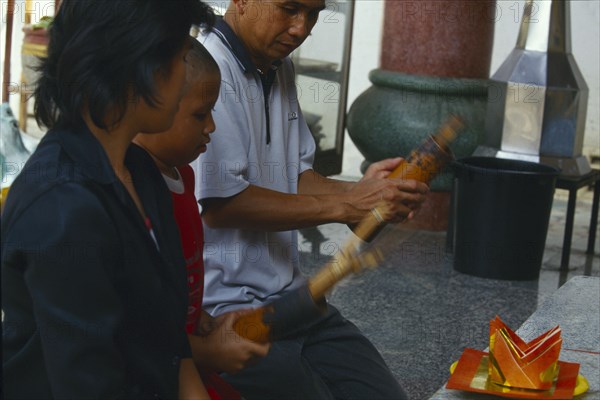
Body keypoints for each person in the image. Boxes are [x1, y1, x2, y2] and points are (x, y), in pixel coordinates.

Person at [191, 0, 429, 399]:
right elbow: (222, 204)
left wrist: (363, 195)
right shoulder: (208, 70)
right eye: (289, 9)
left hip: (297, 301)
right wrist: (346, 206)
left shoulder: (278, 66)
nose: (302, 29)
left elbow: (293, 176)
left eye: (314, 13)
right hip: (231, 313)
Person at [1, 1, 215, 398]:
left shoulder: (142, 172)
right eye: (183, 59)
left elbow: (169, 343)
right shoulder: (62, 210)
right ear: (142, 66)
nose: (186, 77)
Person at [133, 39, 270, 400]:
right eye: (199, 115)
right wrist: (204, 350)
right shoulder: (136, 191)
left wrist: (201, 321)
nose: (211, 126)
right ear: (151, 107)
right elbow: (134, 327)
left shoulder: (183, 175)